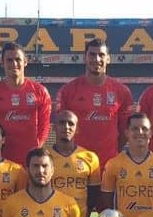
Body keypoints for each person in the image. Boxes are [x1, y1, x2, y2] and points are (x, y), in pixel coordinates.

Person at [54, 38, 135, 169]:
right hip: (76, 165)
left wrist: (113, 151)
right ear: (84, 58)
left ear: (108, 59)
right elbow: (60, 129)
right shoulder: (68, 90)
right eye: (92, 54)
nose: (96, 59)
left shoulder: (122, 91)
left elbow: (125, 131)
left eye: (101, 55)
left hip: (108, 165)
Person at [48, 110, 101, 217]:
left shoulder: (89, 158)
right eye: (62, 123)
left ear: (77, 129)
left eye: (71, 123)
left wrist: (80, 216)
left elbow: (93, 195)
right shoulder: (44, 157)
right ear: (54, 127)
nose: (66, 127)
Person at [0, 42, 52, 166]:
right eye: (9, 60)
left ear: (25, 61)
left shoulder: (40, 92)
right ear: (2, 63)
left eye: (18, 59)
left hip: (29, 163)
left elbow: (44, 128)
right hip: (1, 162)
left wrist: (34, 154)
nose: (14, 64)